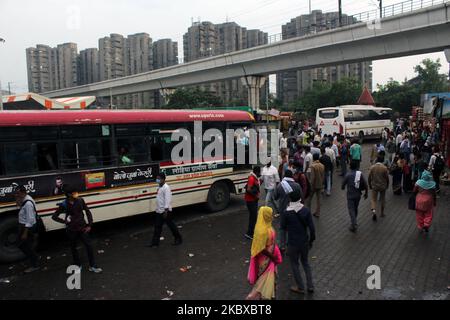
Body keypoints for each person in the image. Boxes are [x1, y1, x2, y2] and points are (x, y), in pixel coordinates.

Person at [52, 186, 102, 273]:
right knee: (73, 248)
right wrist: (65, 222)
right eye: (74, 192)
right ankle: (78, 265)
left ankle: (92, 266)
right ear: (68, 194)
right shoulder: (64, 204)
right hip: (71, 230)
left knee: (89, 246)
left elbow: (87, 211)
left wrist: (90, 225)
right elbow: (54, 216)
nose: (76, 194)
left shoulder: (80, 200)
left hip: (82, 228)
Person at [281, 184, 316, 294]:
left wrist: (283, 245)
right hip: (304, 241)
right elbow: (312, 229)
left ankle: (300, 287)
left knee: (295, 264)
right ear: (300, 198)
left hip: (292, 243)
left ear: (290, 199)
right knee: (305, 263)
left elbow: (283, 228)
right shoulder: (305, 210)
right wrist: (311, 241)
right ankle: (310, 286)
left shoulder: (286, 212)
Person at [246, 207, 282, 300]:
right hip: (265, 260)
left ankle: (267, 296)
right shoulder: (262, 231)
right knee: (262, 283)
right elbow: (261, 249)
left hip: (270, 257)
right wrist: (272, 257)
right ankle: (251, 298)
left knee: (269, 281)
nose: (272, 215)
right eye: (270, 213)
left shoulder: (267, 226)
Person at [146, 173, 182, 247]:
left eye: (159, 178)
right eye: (157, 178)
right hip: (159, 210)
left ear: (163, 179)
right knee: (157, 227)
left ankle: (178, 239)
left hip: (166, 211)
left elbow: (167, 200)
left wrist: (166, 210)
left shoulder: (166, 188)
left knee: (171, 226)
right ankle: (155, 243)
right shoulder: (159, 187)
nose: (157, 180)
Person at [273, 170, 302, 253]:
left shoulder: (280, 186)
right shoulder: (297, 185)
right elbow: (301, 198)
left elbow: (275, 197)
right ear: (292, 176)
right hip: (294, 210)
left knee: (282, 228)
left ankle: (282, 246)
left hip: (283, 211)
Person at [15, 186, 40, 273]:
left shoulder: (28, 203)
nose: (16, 194)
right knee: (23, 245)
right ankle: (34, 258)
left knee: (25, 246)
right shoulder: (24, 199)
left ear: (23, 192)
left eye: (18, 193)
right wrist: (18, 198)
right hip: (23, 226)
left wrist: (25, 233)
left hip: (27, 228)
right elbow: (18, 205)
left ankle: (35, 264)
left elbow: (30, 220)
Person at [341, 161, 369, 232]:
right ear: (357, 166)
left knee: (351, 210)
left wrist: (343, 187)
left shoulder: (348, 175)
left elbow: (343, 185)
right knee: (355, 208)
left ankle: (354, 224)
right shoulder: (360, 174)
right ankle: (354, 221)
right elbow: (366, 184)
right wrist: (366, 193)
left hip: (350, 196)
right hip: (358, 195)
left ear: (350, 167)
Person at [368, 155, 390, 221]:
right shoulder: (384, 168)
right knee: (383, 199)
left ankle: (374, 211)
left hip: (374, 186)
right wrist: (387, 185)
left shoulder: (372, 167)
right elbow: (387, 178)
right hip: (383, 186)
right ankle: (382, 213)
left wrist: (369, 185)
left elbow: (369, 177)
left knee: (373, 199)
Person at [245, 167, 261, 240]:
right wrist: (255, 196)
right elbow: (248, 189)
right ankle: (249, 233)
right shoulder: (252, 178)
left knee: (253, 216)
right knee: (253, 217)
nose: (260, 174)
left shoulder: (254, 177)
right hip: (251, 200)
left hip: (253, 200)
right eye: (259, 172)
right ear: (256, 172)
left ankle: (251, 232)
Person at [307, 153, 325, 218]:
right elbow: (323, 176)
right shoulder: (322, 165)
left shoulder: (312, 166)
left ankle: (308, 212)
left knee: (309, 199)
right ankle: (318, 212)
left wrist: (311, 185)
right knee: (318, 199)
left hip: (313, 185)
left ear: (313, 158)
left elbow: (312, 177)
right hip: (320, 185)